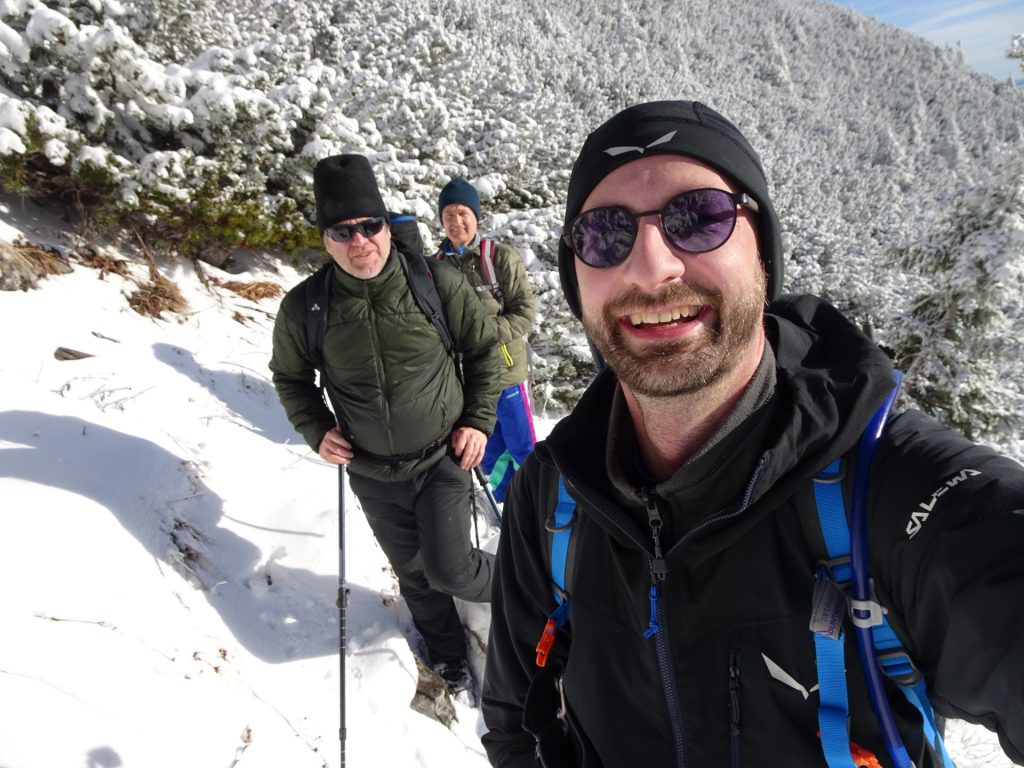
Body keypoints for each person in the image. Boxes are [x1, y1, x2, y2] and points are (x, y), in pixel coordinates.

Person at [481, 101, 1024, 766]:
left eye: (699, 218)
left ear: (762, 251)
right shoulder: (553, 495)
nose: (653, 269)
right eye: (603, 234)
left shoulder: (883, 492)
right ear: (578, 277)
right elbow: (516, 724)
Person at [270, 154, 502, 701]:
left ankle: (526, 581)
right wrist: (315, 428)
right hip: (372, 471)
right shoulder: (307, 308)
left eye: (369, 225)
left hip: (443, 455)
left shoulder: (435, 282)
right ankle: (448, 656)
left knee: (451, 568)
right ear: (325, 239)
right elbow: (290, 378)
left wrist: (477, 421)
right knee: (414, 574)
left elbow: (485, 351)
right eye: (342, 231)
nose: (360, 241)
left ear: (385, 225)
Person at [435, 177, 537, 503]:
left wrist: (482, 335)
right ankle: (507, 507)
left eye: (462, 213)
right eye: (448, 215)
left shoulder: (499, 259)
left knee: (523, 447)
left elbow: (524, 314)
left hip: (507, 375)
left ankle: (539, 506)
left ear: (476, 217)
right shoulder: (433, 268)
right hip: (467, 382)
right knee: (489, 451)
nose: (456, 222)